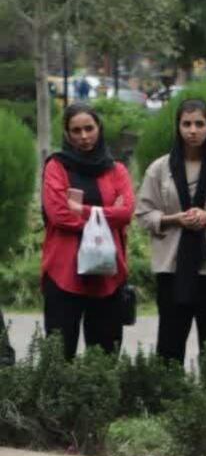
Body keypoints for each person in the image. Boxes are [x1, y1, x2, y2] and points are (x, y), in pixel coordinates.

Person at [136, 99, 206, 368]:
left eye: (199, 123)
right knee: (170, 339)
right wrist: (175, 219)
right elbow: (143, 214)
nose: (193, 130)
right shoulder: (159, 169)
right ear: (178, 127)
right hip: (172, 267)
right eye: (187, 124)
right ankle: (170, 395)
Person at [40, 104, 135, 360]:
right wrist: (107, 214)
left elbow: (127, 212)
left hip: (107, 275)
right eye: (76, 130)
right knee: (59, 357)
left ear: (99, 129)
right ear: (67, 134)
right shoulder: (57, 167)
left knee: (104, 358)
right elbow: (59, 215)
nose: (84, 136)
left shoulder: (116, 170)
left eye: (89, 128)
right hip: (64, 273)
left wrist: (80, 209)